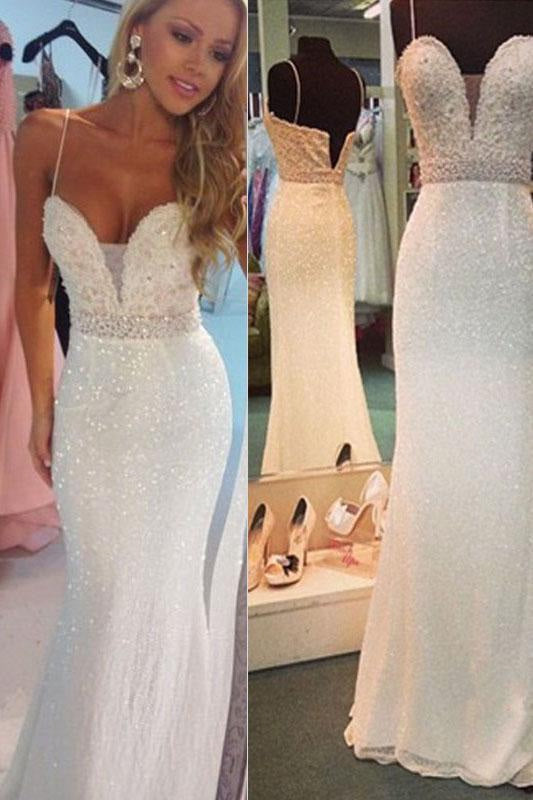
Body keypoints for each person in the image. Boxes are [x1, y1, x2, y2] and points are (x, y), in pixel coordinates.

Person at [2, 0, 246, 797]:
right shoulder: (47, 136)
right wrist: (44, 405)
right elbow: (32, 287)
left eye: (218, 53)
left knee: (165, 599)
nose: (197, 64)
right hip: (94, 400)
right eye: (183, 36)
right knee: (103, 595)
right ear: (138, 29)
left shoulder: (210, 154)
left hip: (186, 403)